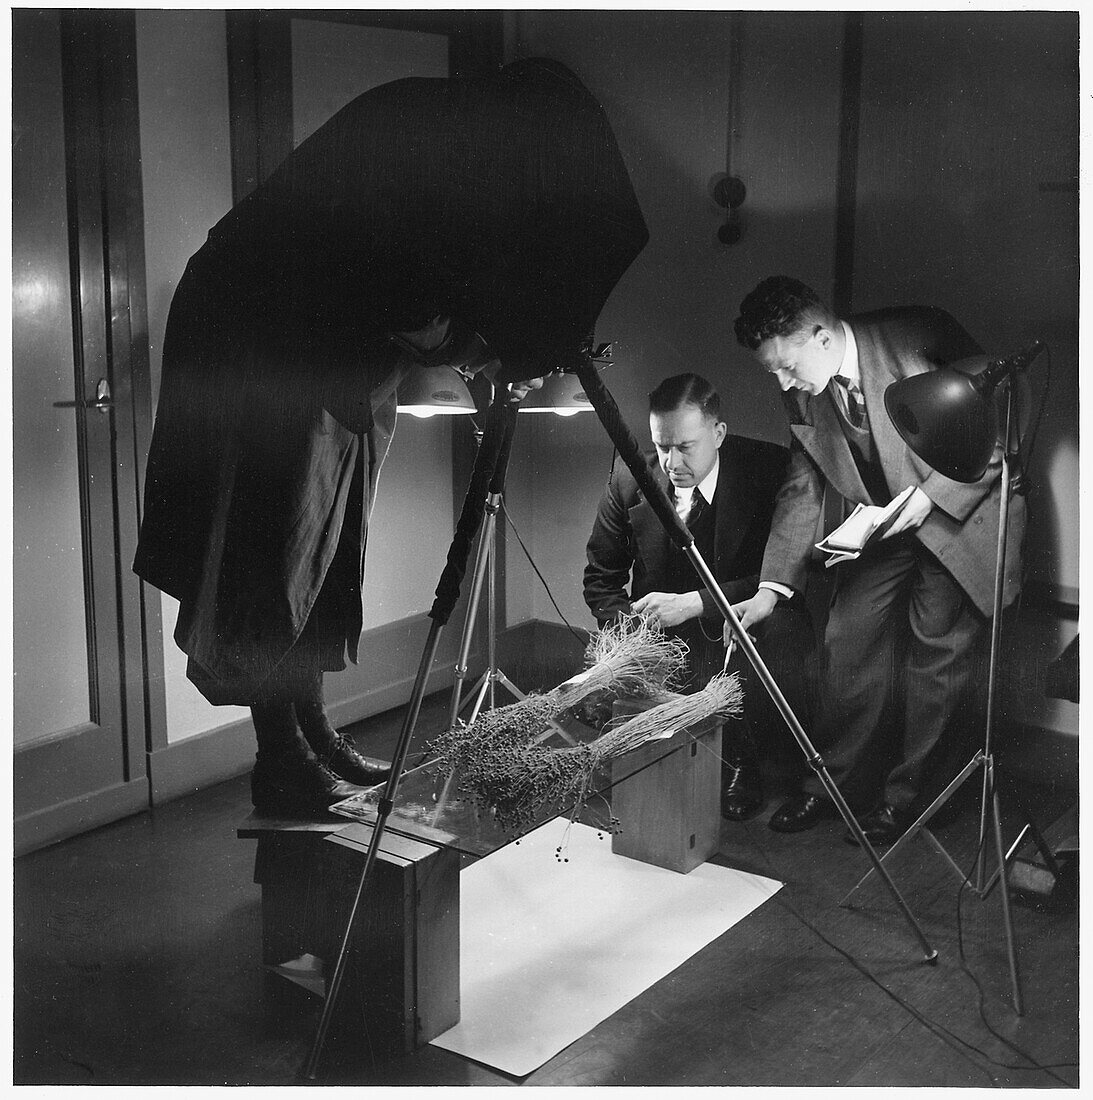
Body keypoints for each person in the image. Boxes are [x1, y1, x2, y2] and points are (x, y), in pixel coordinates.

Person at [133, 59, 648, 817]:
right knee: (266, 552)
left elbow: (449, 285)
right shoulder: (425, 142)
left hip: (336, 347)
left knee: (325, 548)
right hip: (262, 340)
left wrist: (510, 339)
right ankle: (281, 759)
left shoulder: (459, 143)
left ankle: (312, 731)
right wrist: (482, 348)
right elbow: (407, 291)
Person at [731, 276, 1024, 845]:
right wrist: (771, 588)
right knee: (847, 643)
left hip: (958, 511)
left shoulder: (917, 334)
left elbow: (997, 420)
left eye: (787, 367)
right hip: (884, 526)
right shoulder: (799, 380)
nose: (784, 383)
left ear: (820, 337)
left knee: (934, 661)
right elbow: (803, 482)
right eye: (773, 372)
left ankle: (908, 801)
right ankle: (834, 787)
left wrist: (929, 497)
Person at [584, 372, 814, 821]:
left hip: (743, 617)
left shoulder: (768, 469)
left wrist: (698, 602)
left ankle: (743, 763)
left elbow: (778, 573)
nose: (670, 462)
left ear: (719, 433)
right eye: (662, 445)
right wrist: (625, 636)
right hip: (663, 633)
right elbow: (600, 578)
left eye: (684, 447)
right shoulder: (628, 476)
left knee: (777, 636)